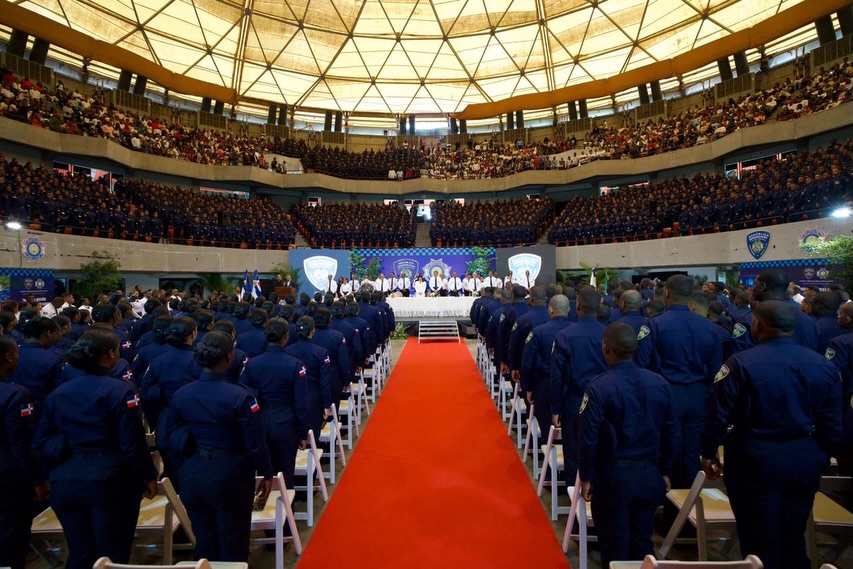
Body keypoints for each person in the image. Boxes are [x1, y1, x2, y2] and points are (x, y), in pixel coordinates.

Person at [702, 301, 842, 569]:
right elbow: (833, 421)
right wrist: (820, 455)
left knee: (757, 535)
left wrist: (709, 451)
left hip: (754, 454)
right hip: (803, 453)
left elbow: (717, 413)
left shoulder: (740, 363)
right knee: (794, 533)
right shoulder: (822, 365)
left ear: (757, 325)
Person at [33, 329, 158, 569]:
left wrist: (47, 476)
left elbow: (40, 442)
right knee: (111, 554)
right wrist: (148, 475)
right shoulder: (121, 391)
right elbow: (132, 444)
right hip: (110, 481)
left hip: (66, 480)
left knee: (80, 552)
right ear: (110, 354)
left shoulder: (58, 393)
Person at [166, 332, 273, 562]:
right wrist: (266, 473)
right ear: (229, 357)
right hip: (230, 474)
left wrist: (184, 466)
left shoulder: (182, 393)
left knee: (204, 542)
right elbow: (255, 443)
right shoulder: (240, 396)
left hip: (193, 472)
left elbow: (170, 436)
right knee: (233, 542)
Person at [578, 323, 678, 569]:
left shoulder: (598, 387)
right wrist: (666, 469)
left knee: (615, 544)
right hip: (649, 472)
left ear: (606, 348)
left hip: (614, 476)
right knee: (643, 541)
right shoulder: (660, 383)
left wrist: (587, 476)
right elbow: (672, 432)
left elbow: (589, 437)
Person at [635, 275, 722, 489]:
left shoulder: (653, 325)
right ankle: (688, 503)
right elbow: (715, 372)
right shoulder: (711, 328)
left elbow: (642, 366)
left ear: (666, 293)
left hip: (665, 394)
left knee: (665, 449)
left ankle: (666, 498)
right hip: (698, 395)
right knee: (691, 454)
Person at [240, 318, 309, 487]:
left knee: (264, 472)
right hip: (287, 422)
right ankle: (286, 503)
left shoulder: (252, 363)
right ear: (286, 336)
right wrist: (303, 432)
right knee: (286, 472)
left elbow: (243, 394)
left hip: (260, 421)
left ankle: (264, 500)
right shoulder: (295, 365)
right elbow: (301, 403)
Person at [550, 288, 608, 483]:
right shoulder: (609, 333)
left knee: (574, 449)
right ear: (599, 307)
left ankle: (574, 491)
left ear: (577, 306)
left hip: (575, 400)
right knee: (603, 446)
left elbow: (557, 375)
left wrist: (556, 407)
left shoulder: (565, 335)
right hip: (606, 399)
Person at [0, 335, 48, 569]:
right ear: (8, 357)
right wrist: (37, 479)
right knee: (12, 536)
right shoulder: (15, 394)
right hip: (8, 476)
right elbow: (20, 444)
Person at [285, 316, 332, 439]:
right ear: (313, 330)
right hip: (313, 397)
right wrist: (326, 404)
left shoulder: (287, 351)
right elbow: (324, 380)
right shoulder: (320, 352)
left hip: (291, 397)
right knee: (312, 435)